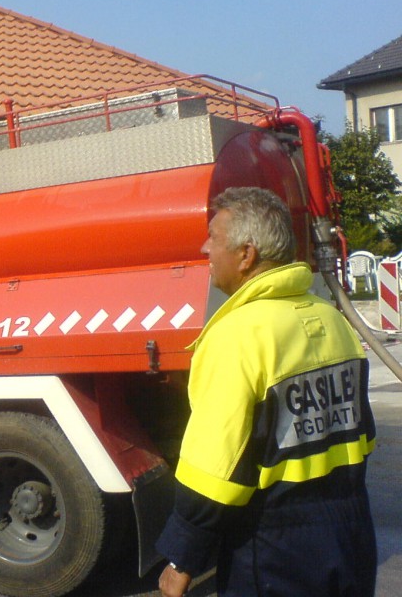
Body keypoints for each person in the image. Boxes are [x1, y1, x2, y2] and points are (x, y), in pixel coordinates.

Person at [156, 187, 377, 597]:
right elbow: (361, 437)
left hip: (276, 547)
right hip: (352, 533)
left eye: (214, 237)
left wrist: (182, 558)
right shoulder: (333, 322)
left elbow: (214, 473)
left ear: (246, 254)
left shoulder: (238, 337)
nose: (205, 247)